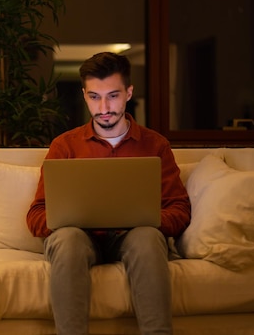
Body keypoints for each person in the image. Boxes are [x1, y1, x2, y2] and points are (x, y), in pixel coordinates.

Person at [27, 52, 191, 335]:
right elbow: (36, 214)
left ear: (129, 92)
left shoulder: (156, 145)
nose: (103, 107)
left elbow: (179, 208)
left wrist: (145, 218)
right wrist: (66, 219)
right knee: (67, 239)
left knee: (148, 237)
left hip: (134, 238)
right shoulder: (64, 146)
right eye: (94, 97)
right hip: (79, 240)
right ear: (84, 95)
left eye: (113, 96)